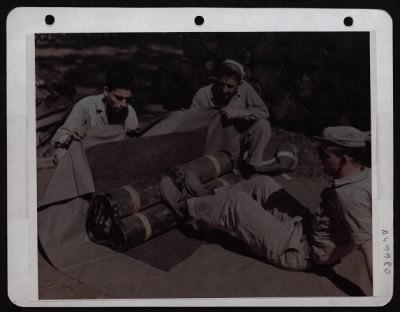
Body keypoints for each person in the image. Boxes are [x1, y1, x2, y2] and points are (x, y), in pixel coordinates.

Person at [160, 126, 372, 284]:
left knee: (236, 203)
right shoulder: (364, 175)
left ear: (344, 159)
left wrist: (380, 299)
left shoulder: (351, 198)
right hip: (307, 228)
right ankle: (208, 197)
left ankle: (184, 208)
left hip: (300, 251)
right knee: (263, 184)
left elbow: (368, 247)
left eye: (324, 155)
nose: (319, 159)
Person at [191, 59, 271, 174]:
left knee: (263, 125)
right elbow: (191, 126)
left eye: (230, 86)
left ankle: (251, 167)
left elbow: (264, 112)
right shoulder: (203, 94)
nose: (224, 90)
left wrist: (239, 113)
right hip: (213, 143)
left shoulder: (246, 89)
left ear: (239, 85)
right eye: (221, 84)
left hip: (238, 139)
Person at [51, 67, 139, 161]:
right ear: (106, 91)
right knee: (61, 154)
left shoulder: (129, 112)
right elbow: (58, 138)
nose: (124, 104)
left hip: (114, 158)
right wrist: (72, 136)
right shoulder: (86, 105)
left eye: (128, 100)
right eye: (119, 98)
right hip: (86, 158)